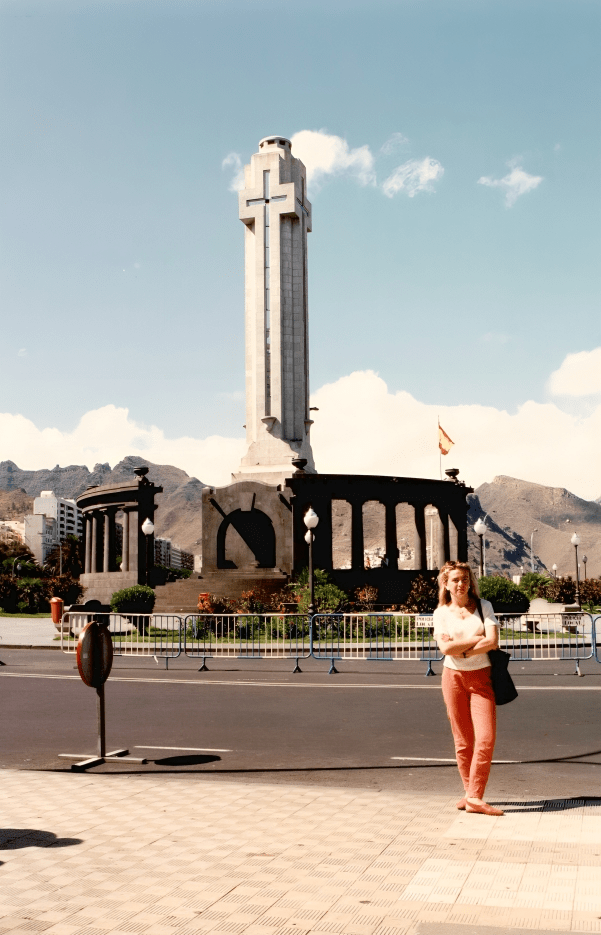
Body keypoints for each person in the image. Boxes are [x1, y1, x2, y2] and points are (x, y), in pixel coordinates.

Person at [433, 560, 504, 816]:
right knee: (463, 741)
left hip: (481, 677)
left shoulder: (484, 607)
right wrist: (476, 639)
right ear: (446, 584)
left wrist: (462, 649)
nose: (461, 584)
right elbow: (445, 648)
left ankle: (473, 796)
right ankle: (471, 794)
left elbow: (493, 641)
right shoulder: (441, 613)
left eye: (465, 579)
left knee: (485, 738)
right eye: (455, 580)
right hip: (453, 678)